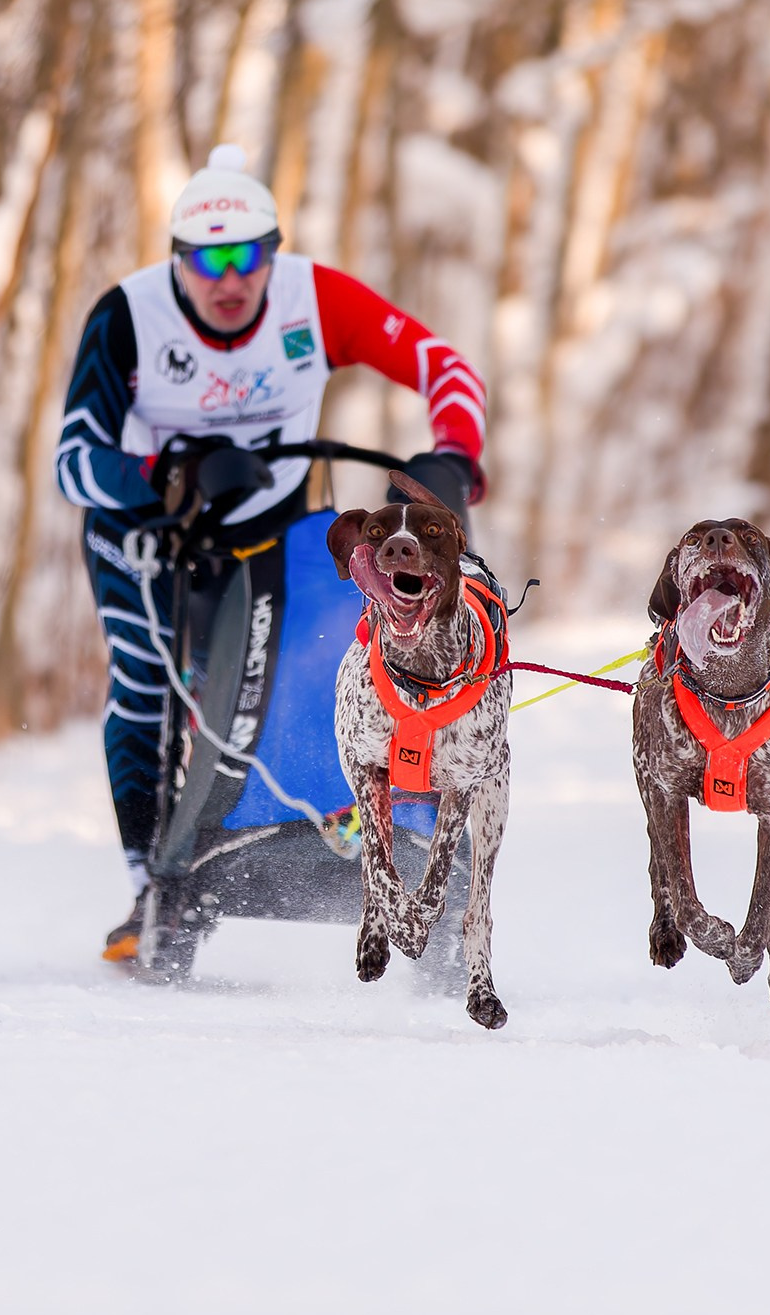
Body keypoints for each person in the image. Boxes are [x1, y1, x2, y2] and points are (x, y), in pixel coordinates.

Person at [53, 144, 488, 962]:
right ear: (176, 260)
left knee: (308, 671)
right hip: (148, 530)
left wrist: (452, 459)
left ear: (273, 252)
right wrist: (170, 474)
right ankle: (155, 888)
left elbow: (445, 366)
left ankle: (373, 841)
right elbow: (73, 461)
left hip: (266, 524)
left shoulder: (314, 300)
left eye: (246, 255)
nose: (228, 279)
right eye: (205, 260)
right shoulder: (129, 314)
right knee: (152, 688)